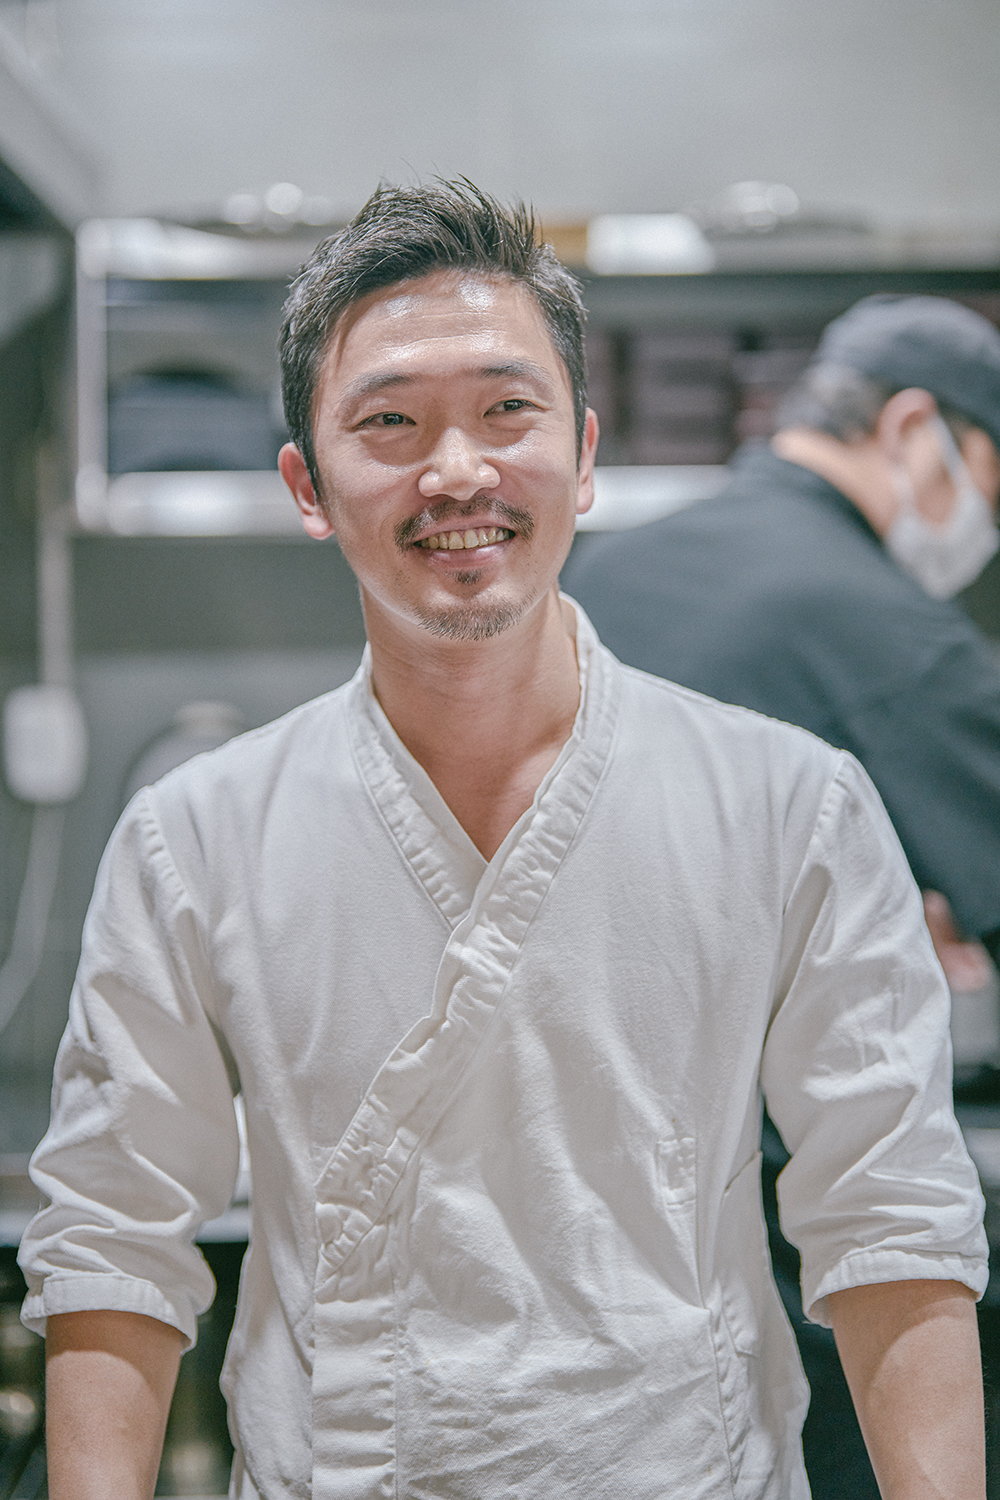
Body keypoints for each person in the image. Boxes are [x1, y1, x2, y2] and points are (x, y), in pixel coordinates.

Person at [19, 188, 989, 1500]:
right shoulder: (194, 838)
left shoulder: (791, 805)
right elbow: (113, 1236)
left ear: (583, 456)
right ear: (308, 486)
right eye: (390, 422)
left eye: (506, 410)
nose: (458, 470)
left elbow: (891, 1213)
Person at [564, 291, 1000, 1498]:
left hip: (568, 1198)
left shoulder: (608, 571)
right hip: (777, 1222)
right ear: (912, 430)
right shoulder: (880, 626)